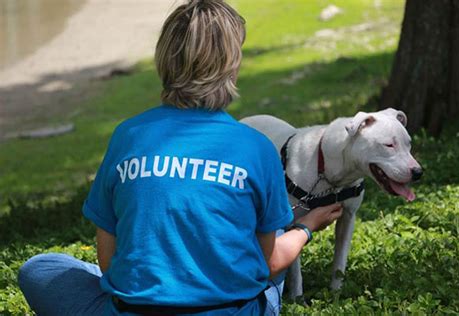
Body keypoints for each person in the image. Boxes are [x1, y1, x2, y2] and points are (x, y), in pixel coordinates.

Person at [17, 1, 343, 315]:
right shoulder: (256, 148)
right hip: (229, 310)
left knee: (40, 268)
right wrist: (307, 226)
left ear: (165, 59)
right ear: (232, 65)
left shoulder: (127, 136)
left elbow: (107, 263)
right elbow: (269, 263)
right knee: (270, 273)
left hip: (136, 309)